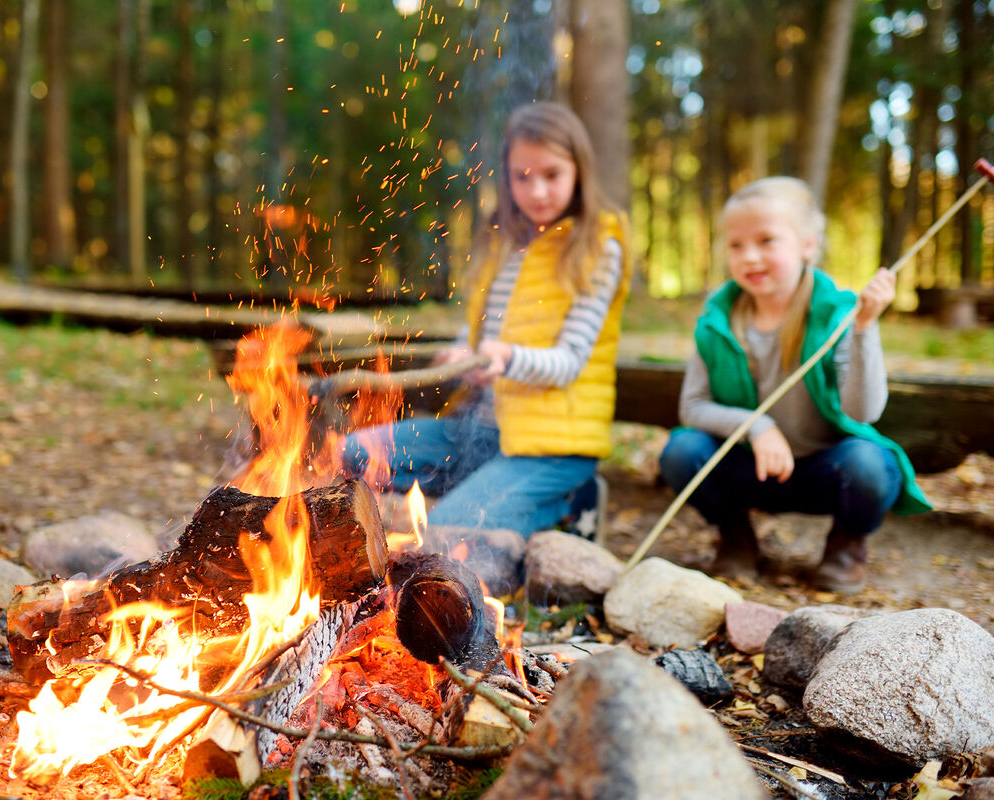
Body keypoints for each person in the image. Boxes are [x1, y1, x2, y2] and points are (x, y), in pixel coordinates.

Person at [342, 101, 631, 538]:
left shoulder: (596, 248)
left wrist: (509, 359)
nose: (537, 192)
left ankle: (567, 503)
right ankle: (492, 495)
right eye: (523, 177)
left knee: (448, 529)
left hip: (551, 447)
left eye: (552, 175)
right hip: (481, 432)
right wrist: (465, 350)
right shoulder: (503, 245)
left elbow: (570, 361)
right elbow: (485, 328)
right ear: (508, 176)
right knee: (353, 454)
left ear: (579, 172)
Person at [658, 176, 931, 593]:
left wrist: (863, 329)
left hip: (825, 472)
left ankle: (845, 545)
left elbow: (864, 412)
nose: (749, 256)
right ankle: (736, 538)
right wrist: (757, 425)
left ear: (806, 244)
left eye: (767, 240)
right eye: (736, 244)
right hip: (751, 467)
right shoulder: (717, 320)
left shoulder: (836, 313)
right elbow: (692, 407)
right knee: (682, 451)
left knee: (872, 465)